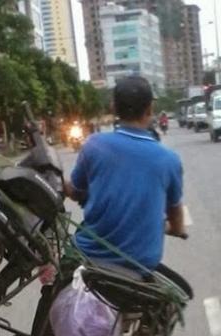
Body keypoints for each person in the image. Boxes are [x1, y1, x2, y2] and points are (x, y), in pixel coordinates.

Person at [64, 76, 190, 294]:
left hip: (87, 255)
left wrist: (57, 181)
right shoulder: (169, 160)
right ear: (150, 109)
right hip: (138, 266)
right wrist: (175, 229)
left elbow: (75, 192)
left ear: (113, 108)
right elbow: (175, 216)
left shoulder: (94, 145)